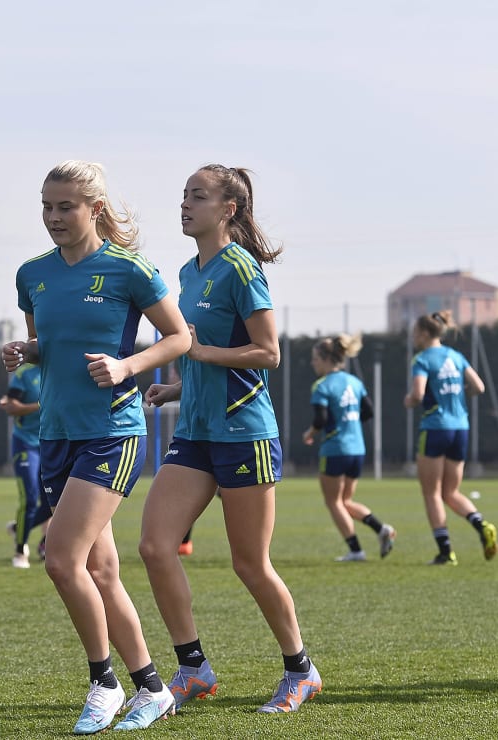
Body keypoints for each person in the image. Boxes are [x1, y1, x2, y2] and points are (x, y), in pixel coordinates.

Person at [4, 160, 191, 734]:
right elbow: (49, 343)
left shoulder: (129, 270)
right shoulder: (31, 274)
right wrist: (27, 352)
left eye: (66, 206)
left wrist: (127, 365)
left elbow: (180, 337)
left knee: (61, 559)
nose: (54, 217)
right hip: (56, 432)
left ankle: (103, 683)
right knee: (101, 570)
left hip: (113, 430)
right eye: (46, 206)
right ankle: (153, 689)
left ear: (95, 210)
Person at [139, 164, 322, 715]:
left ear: (228, 209)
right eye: (184, 196)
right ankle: (193, 667)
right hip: (195, 433)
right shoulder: (188, 271)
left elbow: (269, 353)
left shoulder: (241, 269)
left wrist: (198, 355)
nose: (185, 204)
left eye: (198, 196)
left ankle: (301, 670)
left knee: (249, 564)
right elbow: (204, 353)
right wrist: (175, 386)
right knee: (153, 545)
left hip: (245, 435)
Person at [405, 310, 498, 565]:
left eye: (414, 332)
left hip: (435, 427)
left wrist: (409, 401)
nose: (413, 337)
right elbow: (478, 387)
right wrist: (456, 394)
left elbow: (417, 393)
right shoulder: (456, 356)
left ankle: (446, 552)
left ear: (425, 333)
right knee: (451, 491)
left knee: (432, 493)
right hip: (460, 428)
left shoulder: (422, 359)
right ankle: (481, 525)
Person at [304, 334, 395, 562]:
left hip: (335, 448)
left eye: (315, 358)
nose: (313, 363)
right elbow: (368, 412)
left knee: (333, 502)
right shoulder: (355, 383)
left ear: (326, 359)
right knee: (345, 501)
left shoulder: (322, 385)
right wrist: (349, 419)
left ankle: (356, 550)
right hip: (357, 448)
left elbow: (320, 419)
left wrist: (310, 433)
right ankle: (381, 529)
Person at [0, 362, 50, 568]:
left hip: (54, 442)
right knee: (29, 499)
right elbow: (11, 406)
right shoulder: (25, 373)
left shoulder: (61, 367)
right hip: (27, 443)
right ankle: (20, 551)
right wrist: (41, 405)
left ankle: (20, 528)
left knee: (54, 502)